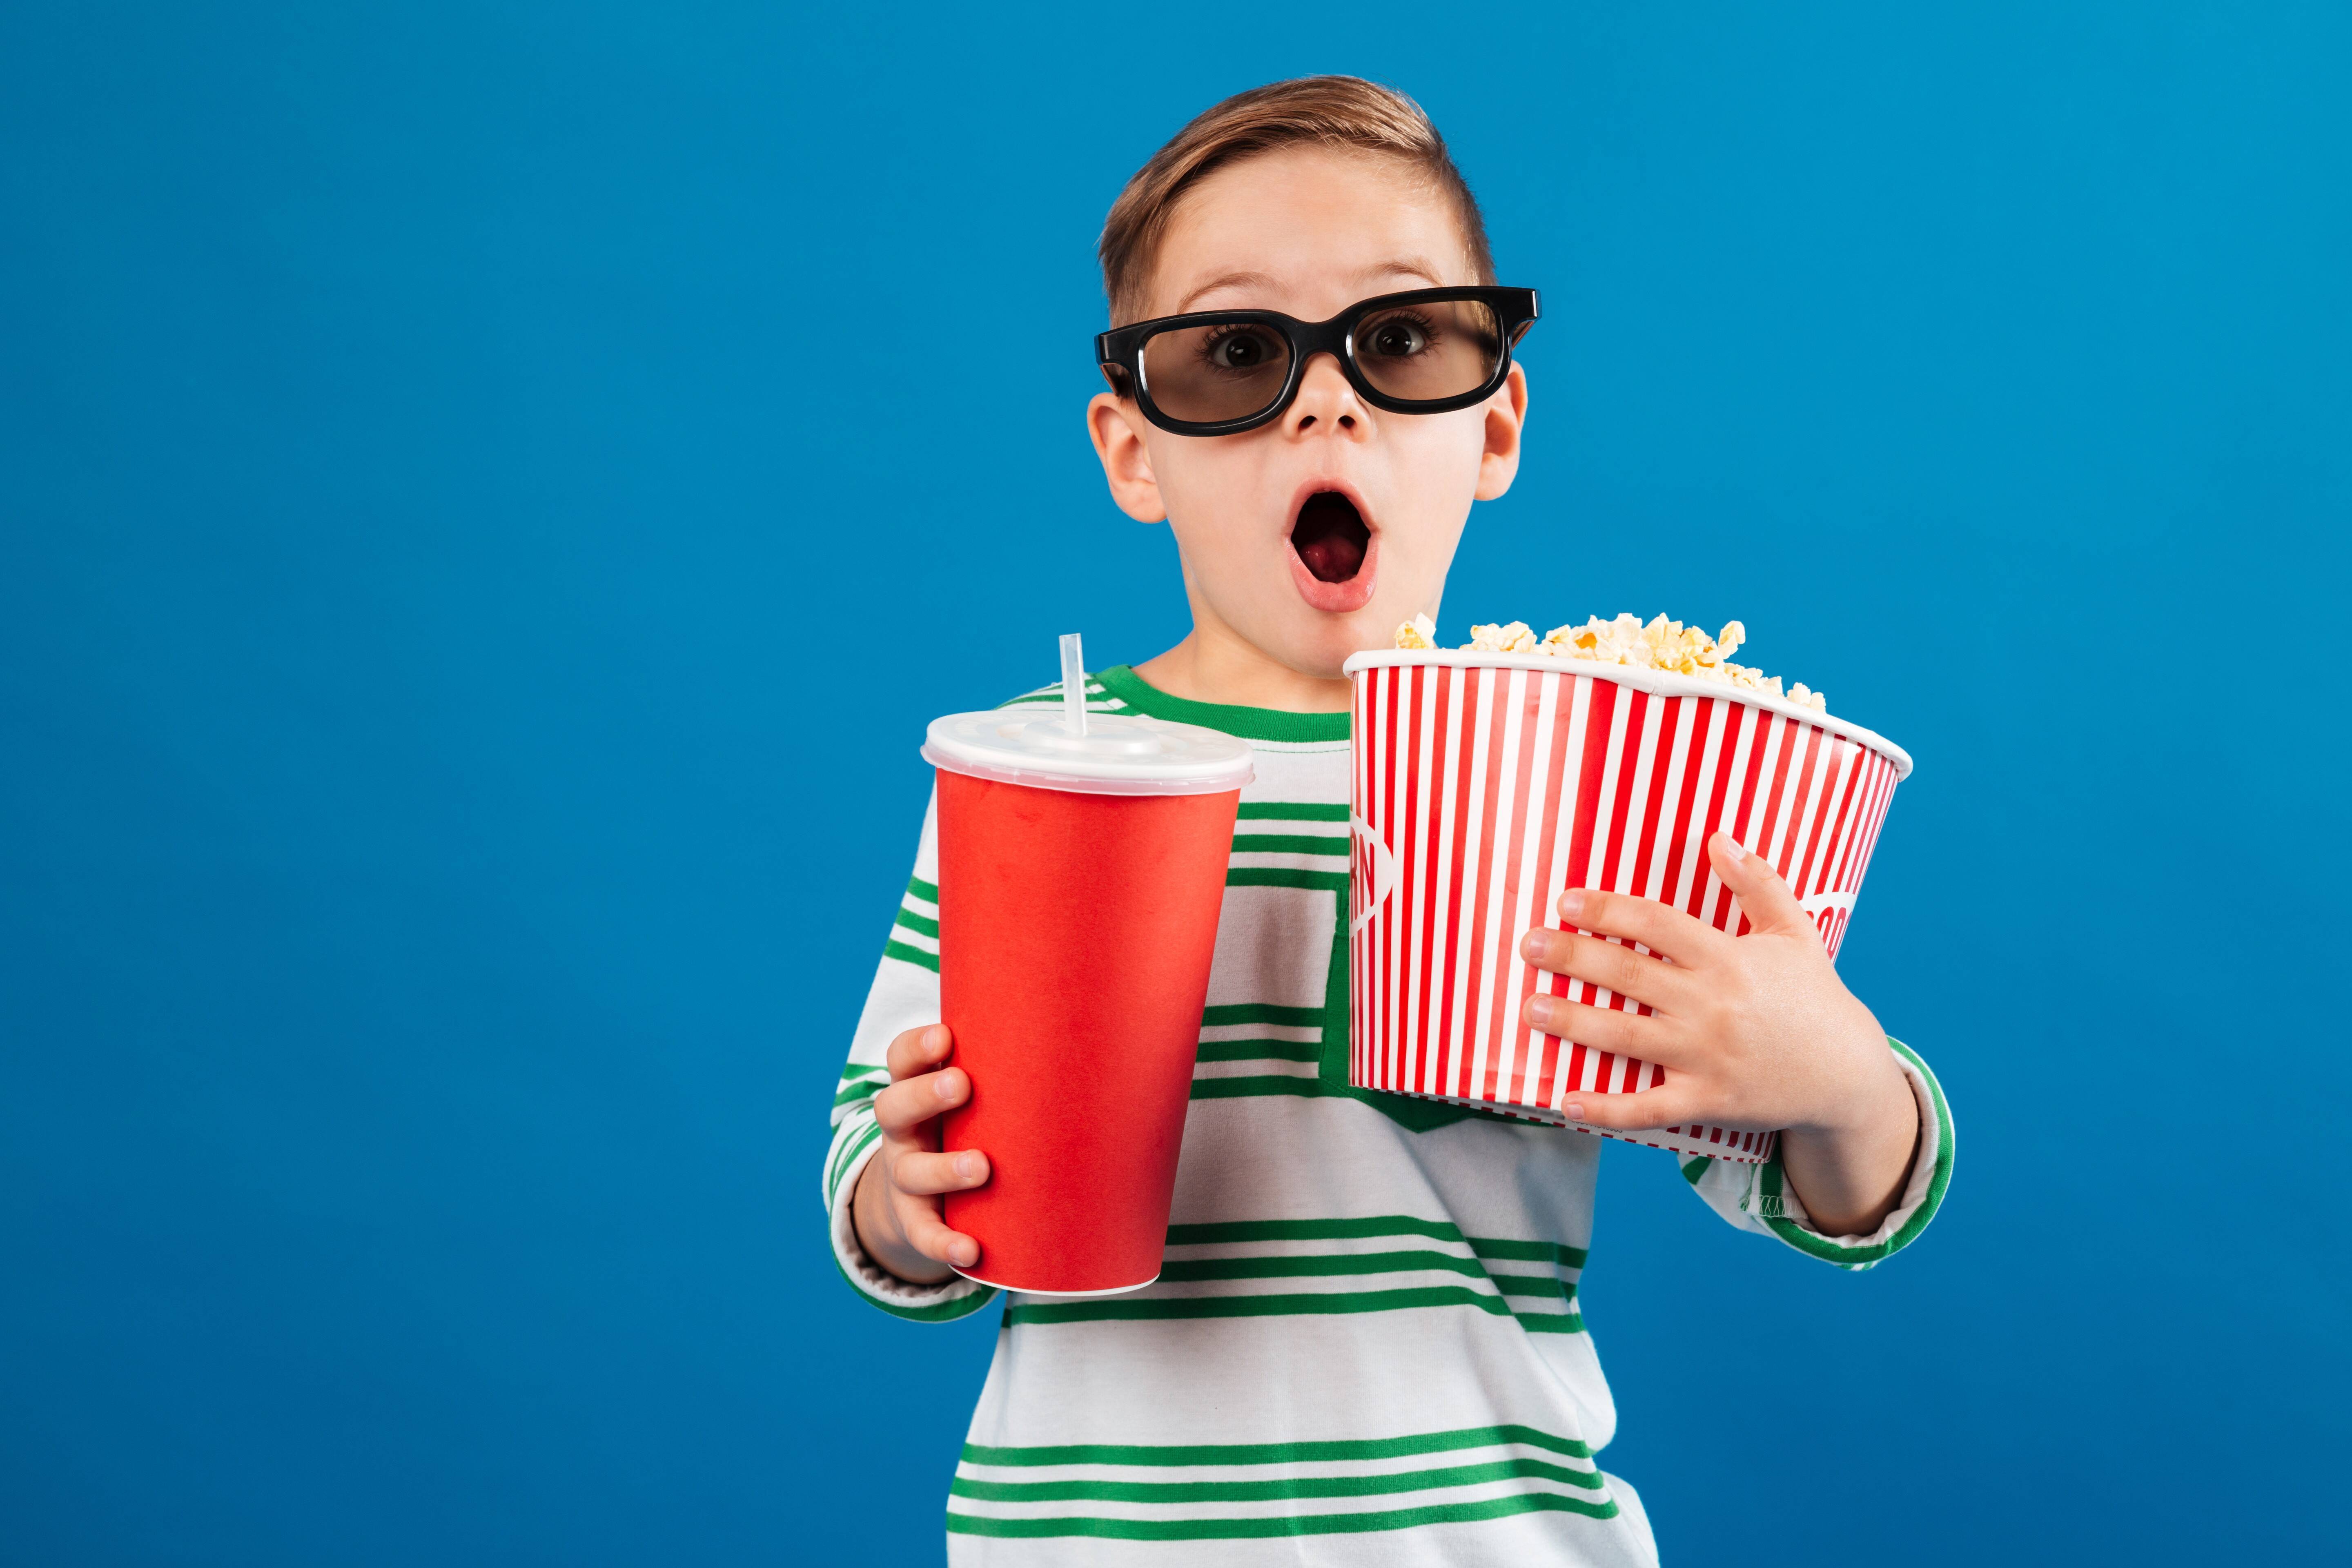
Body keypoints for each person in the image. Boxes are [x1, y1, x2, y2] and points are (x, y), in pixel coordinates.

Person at [823, 76, 1953, 1565]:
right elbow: (881, 1171)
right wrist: (910, 1198)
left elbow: (1826, 1182)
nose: (1324, 397)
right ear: (1133, 452)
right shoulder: (1032, 772)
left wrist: (1841, 1077)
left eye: (1403, 339)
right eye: (1234, 356)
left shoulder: (1587, 780)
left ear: (1495, 428)